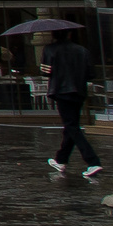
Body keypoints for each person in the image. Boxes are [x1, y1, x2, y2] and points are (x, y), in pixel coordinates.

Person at [45, 32, 102, 178]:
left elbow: (45, 71)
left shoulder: (50, 49)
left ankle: (92, 161)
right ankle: (61, 159)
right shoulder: (82, 50)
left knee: (72, 127)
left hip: (61, 91)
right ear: (69, 34)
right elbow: (91, 73)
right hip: (79, 91)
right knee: (71, 126)